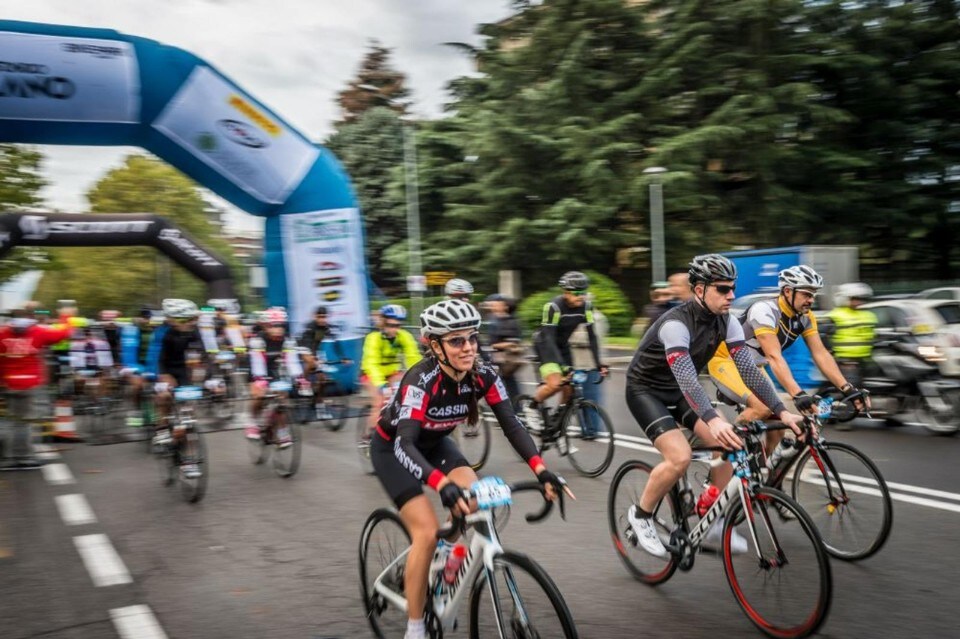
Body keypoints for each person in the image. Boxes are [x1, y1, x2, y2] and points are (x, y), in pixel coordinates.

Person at [370, 299, 571, 639]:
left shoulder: (484, 374)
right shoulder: (421, 380)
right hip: (394, 450)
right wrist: (441, 485)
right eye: (456, 340)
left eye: (472, 338)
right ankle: (416, 627)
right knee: (425, 533)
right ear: (435, 346)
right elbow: (405, 444)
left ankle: (444, 553)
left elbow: (513, 425)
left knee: (475, 499)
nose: (468, 347)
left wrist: (541, 470)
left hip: (436, 444)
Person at [624, 254, 804, 557]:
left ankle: (714, 520)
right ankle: (641, 516)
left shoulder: (728, 321)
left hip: (680, 390)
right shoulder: (675, 324)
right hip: (646, 391)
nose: (731, 295)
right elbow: (686, 377)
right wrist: (713, 419)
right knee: (679, 457)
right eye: (722, 289)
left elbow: (749, 372)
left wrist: (783, 412)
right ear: (699, 290)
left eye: (733, 288)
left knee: (730, 444)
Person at [709, 265, 868, 442]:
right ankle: (729, 446)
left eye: (813, 295)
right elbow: (774, 357)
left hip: (754, 367)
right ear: (787, 291)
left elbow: (820, 353)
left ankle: (766, 461)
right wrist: (797, 394)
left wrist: (847, 388)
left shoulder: (806, 317)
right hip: (726, 361)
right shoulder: (765, 311)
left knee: (779, 424)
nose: (811, 300)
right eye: (806, 294)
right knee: (762, 408)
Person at [530, 271, 609, 435]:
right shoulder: (553, 307)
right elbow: (549, 338)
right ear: (565, 292)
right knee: (555, 384)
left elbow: (592, 337)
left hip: (563, 347)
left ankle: (557, 420)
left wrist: (599, 364)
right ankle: (532, 405)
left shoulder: (586, 307)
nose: (581, 297)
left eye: (584, 293)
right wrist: (562, 366)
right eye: (577, 293)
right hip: (545, 345)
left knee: (569, 389)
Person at [0, 308, 72, 468]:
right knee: (23, 423)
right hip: (28, 384)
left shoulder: (3, 334)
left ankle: (8, 457)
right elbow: (63, 334)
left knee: (10, 421)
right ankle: (22, 458)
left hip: (8, 383)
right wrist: (65, 316)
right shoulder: (36, 332)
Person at [360, 304, 422, 440]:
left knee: (408, 395)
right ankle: (370, 436)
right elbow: (371, 363)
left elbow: (413, 358)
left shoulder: (404, 336)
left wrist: (422, 377)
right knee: (380, 401)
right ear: (383, 323)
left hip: (392, 373)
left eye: (398, 325)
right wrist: (381, 385)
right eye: (390, 325)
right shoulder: (373, 338)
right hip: (372, 374)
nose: (394, 329)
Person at [246, 306, 303, 447]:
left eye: (281, 325)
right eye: (274, 326)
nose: (278, 329)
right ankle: (252, 421)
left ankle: (282, 431)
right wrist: (259, 380)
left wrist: (299, 377)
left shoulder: (288, 340)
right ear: (266, 326)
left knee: (282, 399)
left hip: (274, 369)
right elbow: (257, 363)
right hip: (256, 368)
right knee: (259, 395)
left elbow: (292, 361)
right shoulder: (258, 340)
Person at [827, 283, 877, 429]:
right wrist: (831, 353)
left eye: (860, 298)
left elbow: (872, 335)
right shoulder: (836, 315)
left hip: (864, 358)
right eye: (854, 298)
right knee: (850, 389)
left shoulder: (868, 315)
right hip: (845, 360)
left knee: (870, 387)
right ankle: (844, 420)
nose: (858, 301)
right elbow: (825, 336)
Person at [298, 305, 349, 419]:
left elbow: (336, 343)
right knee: (311, 361)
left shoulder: (327, 327)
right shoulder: (310, 327)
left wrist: (343, 357)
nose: (322, 320)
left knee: (322, 380)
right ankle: (303, 382)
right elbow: (307, 343)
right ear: (315, 316)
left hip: (316, 350)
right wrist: (313, 357)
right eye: (320, 317)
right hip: (303, 347)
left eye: (324, 317)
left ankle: (320, 409)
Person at [569, 295, 609, 436]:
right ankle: (584, 429)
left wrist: (571, 335)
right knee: (578, 399)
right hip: (577, 364)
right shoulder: (577, 317)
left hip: (591, 365)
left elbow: (590, 338)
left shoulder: (596, 317)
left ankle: (592, 430)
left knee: (591, 398)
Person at [485, 295, 524, 400]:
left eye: (499, 304)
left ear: (505, 306)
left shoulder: (512, 321)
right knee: (500, 381)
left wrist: (512, 345)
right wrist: (508, 344)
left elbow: (518, 338)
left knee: (509, 381)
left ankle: (515, 404)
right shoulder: (493, 321)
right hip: (498, 357)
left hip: (509, 358)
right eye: (495, 305)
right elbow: (492, 343)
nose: (495, 307)